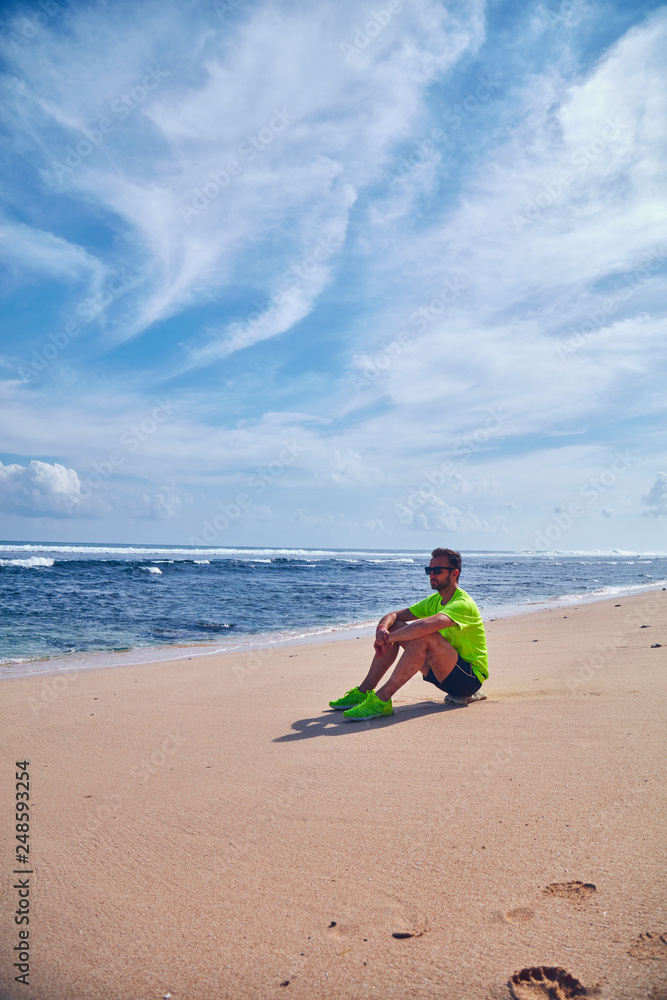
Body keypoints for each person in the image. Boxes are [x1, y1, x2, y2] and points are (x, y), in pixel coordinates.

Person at [329, 548, 488, 721]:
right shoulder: (434, 601)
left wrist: (388, 639)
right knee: (395, 626)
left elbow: (425, 626)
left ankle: (381, 700)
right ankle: (363, 692)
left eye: (437, 571)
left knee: (426, 636)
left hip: (468, 680)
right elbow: (393, 615)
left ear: (454, 574)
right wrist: (382, 630)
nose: (431, 575)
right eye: (429, 570)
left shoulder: (463, 603)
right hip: (441, 673)